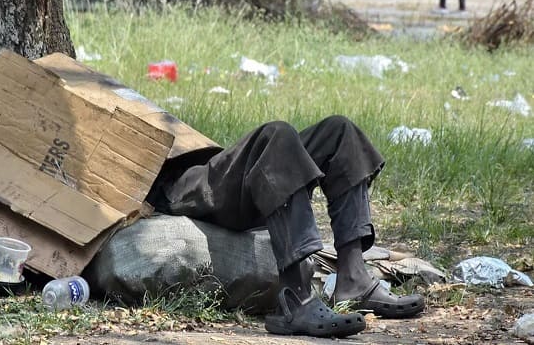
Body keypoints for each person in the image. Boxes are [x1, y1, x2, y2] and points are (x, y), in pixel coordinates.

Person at [146, 116, 425, 338]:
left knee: (340, 131)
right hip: (176, 184)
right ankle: (295, 300)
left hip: (210, 163)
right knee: (276, 135)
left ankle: (354, 279)